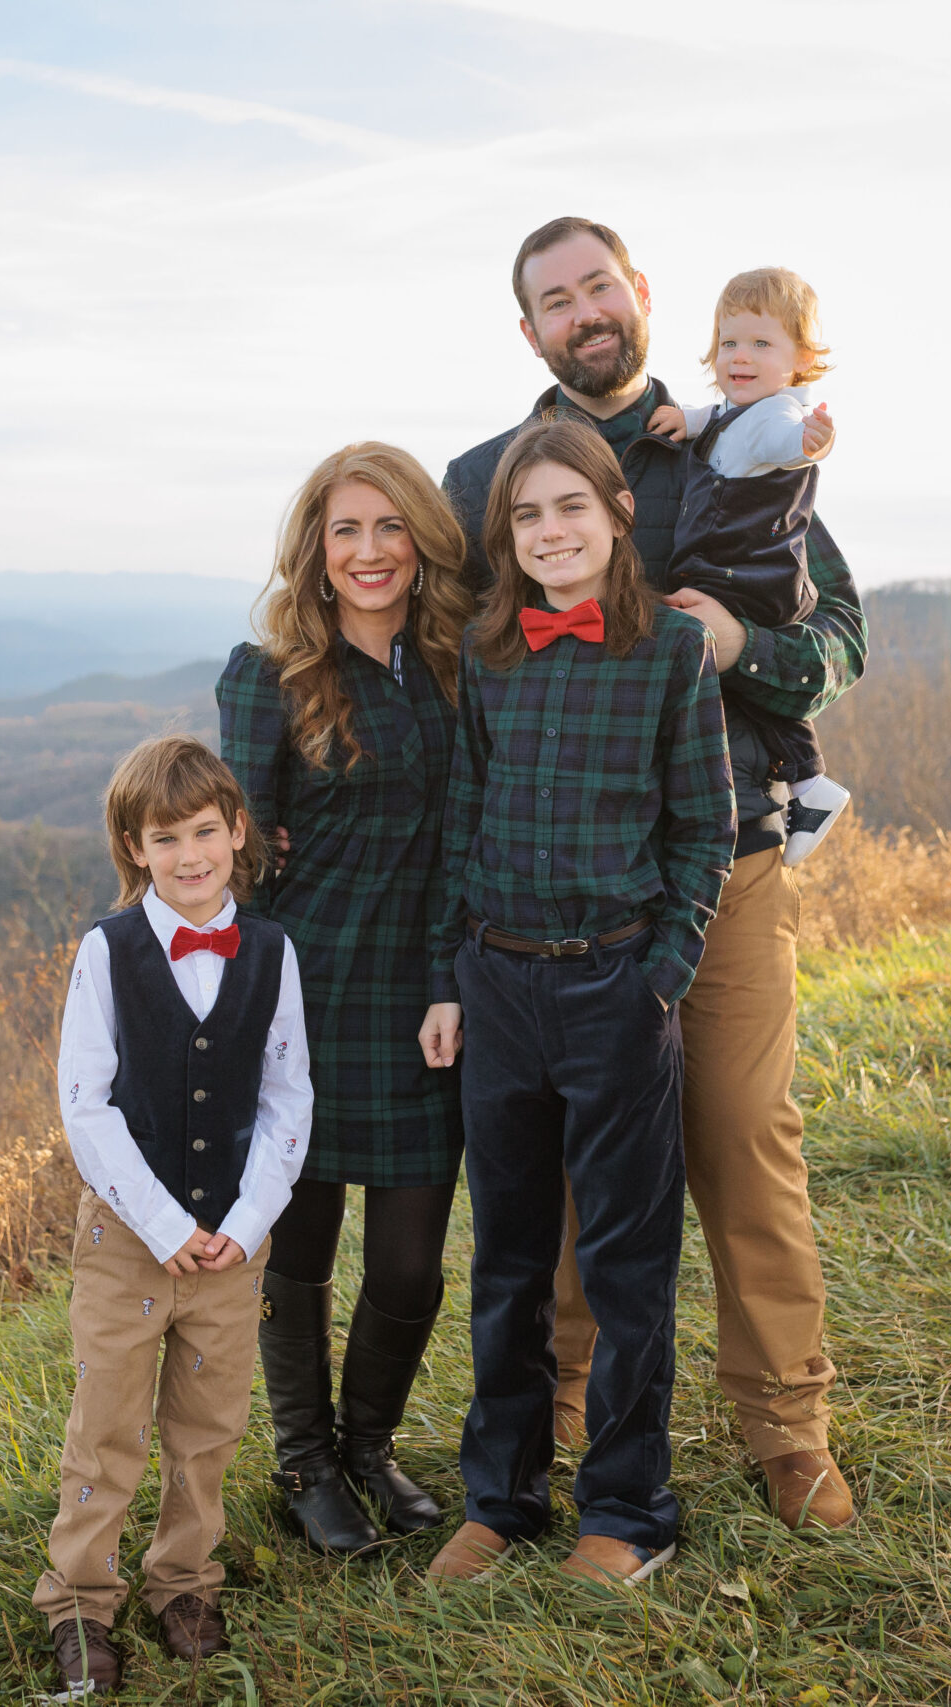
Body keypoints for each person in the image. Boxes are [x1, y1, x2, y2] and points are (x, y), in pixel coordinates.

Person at [443, 216, 869, 1533]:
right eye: (554, 300)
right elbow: (445, 668)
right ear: (530, 333)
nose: (583, 312)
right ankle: (566, 1410)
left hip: (722, 863)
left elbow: (842, 635)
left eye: (598, 286)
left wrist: (748, 641)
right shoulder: (478, 483)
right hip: (552, 904)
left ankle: (785, 1423)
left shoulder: (735, 446)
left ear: (640, 296)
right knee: (565, 1167)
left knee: (743, 1140)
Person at [418, 417, 734, 1588]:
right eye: (527, 516)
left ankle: (626, 1512)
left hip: (615, 986)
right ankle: (498, 1501)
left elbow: (705, 829)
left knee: (622, 1265)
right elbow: (464, 822)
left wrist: (660, 976)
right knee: (504, 1261)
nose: (549, 533)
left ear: (616, 515)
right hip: (498, 986)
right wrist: (453, 973)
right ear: (506, 536)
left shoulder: (668, 658)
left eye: (569, 509)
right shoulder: (490, 655)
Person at [217, 444, 474, 1557]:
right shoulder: (266, 676)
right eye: (344, 533)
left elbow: (468, 839)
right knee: (304, 1249)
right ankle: (304, 1463)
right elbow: (235, 863)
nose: (368, 552)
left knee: (411, 1259)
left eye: (387, 528)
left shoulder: (464, 666)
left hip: (424, 995)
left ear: (420, 540)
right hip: (303, 992)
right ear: (316, 557)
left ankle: (369, 1447)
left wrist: (445, 981)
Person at [34, 735, 314, 1697]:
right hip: (128, 1240)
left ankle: (186, 1580)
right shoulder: (105, 954)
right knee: (106, 1423)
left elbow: (288, 1097)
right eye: (167, 837)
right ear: (133, 845)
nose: (191, 854)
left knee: (208, 1422)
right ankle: (80, 1599)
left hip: (235, 1241)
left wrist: (244, 1220)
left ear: (238, 831)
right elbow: (87, 1105)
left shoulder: (273, 952)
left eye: (206, 831)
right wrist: (164, 1226)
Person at [646, 266, 853, 867]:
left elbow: (788, 442)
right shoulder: (741, 410)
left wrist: (813, 443)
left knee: (745, 675)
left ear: (802, 358)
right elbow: (717, 420)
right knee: (743, 684)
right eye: (730, 342)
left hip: (751, 577)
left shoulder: (778, 419)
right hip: (730, 572)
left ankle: (811, 783)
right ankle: (809, 785)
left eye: (762, 344)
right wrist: (687, 419)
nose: (740, 356)